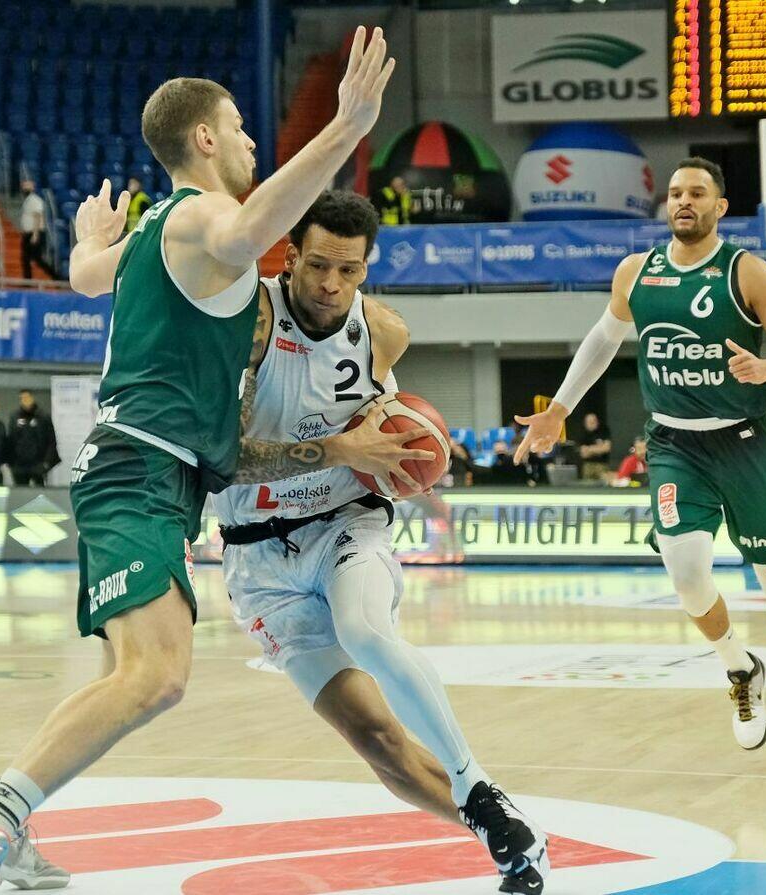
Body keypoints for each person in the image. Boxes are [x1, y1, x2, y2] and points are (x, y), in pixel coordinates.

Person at [0, 29, 406, 894]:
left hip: (149, 475)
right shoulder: (203, 215)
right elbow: (251, 228)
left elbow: (83, 279)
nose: (250, 141)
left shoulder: (148, 233)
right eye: (239, 127)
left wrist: (83, 241)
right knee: (157, 675)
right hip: (140, 466)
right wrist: (346, 128)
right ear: (204, 138)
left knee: (133, 673)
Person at [213, 191, 547, 892]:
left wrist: (403, 457)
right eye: (318, 266)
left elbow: (390, 432)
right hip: (257, 559)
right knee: (378, 741)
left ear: (367, 268)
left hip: (345, 522)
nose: (331, 284)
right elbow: (221, 459)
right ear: (289, 257)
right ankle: (509, 839)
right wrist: (339, 447)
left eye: (350, 270)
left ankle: (475, 784)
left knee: (365, 631)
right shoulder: (249, 326)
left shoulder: (384, 332)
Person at [515, 156, 766, 776]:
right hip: (673, 445)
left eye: (697, 193)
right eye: (676, 192)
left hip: (745, 444)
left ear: (720, 207)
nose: (684, 201)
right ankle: (739, 668)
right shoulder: (637, 271)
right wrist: (558, 409)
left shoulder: (748, 272)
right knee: (686, 575)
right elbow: (604, 339)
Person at [7, 390, 60, 486]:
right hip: (19, 466)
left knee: (39, 490)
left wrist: (46, 462)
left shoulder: (43, 416)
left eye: (27, 398)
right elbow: (10, 440)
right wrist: (11, 463)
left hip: (38, 464)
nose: (25, 401)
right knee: (20, 491)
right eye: (22, 398)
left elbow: (51, 441)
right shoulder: (14, 417)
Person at [19, 178, 57, 279]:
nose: (24, 187)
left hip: (34, 233)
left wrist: (35, 234)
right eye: (24, 185)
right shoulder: (27, 200)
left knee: (37, 259)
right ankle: (27, 281)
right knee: (25, 258)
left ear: (33, 187)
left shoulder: (35, 200)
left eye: (27, 185)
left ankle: (55, 276)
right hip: (28, 233)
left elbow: (38, 216)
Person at [578, 411, 613, 482]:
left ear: (597, 422)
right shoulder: (583, 435)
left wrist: (589, 449)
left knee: (603, 484)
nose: (591, 424)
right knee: (587, 485)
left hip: (602, 465)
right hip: (588, 466)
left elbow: (606, 448)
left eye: (593, 422)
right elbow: (583, 454)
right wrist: (598, 448)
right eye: (589, 422)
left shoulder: (603, 432)